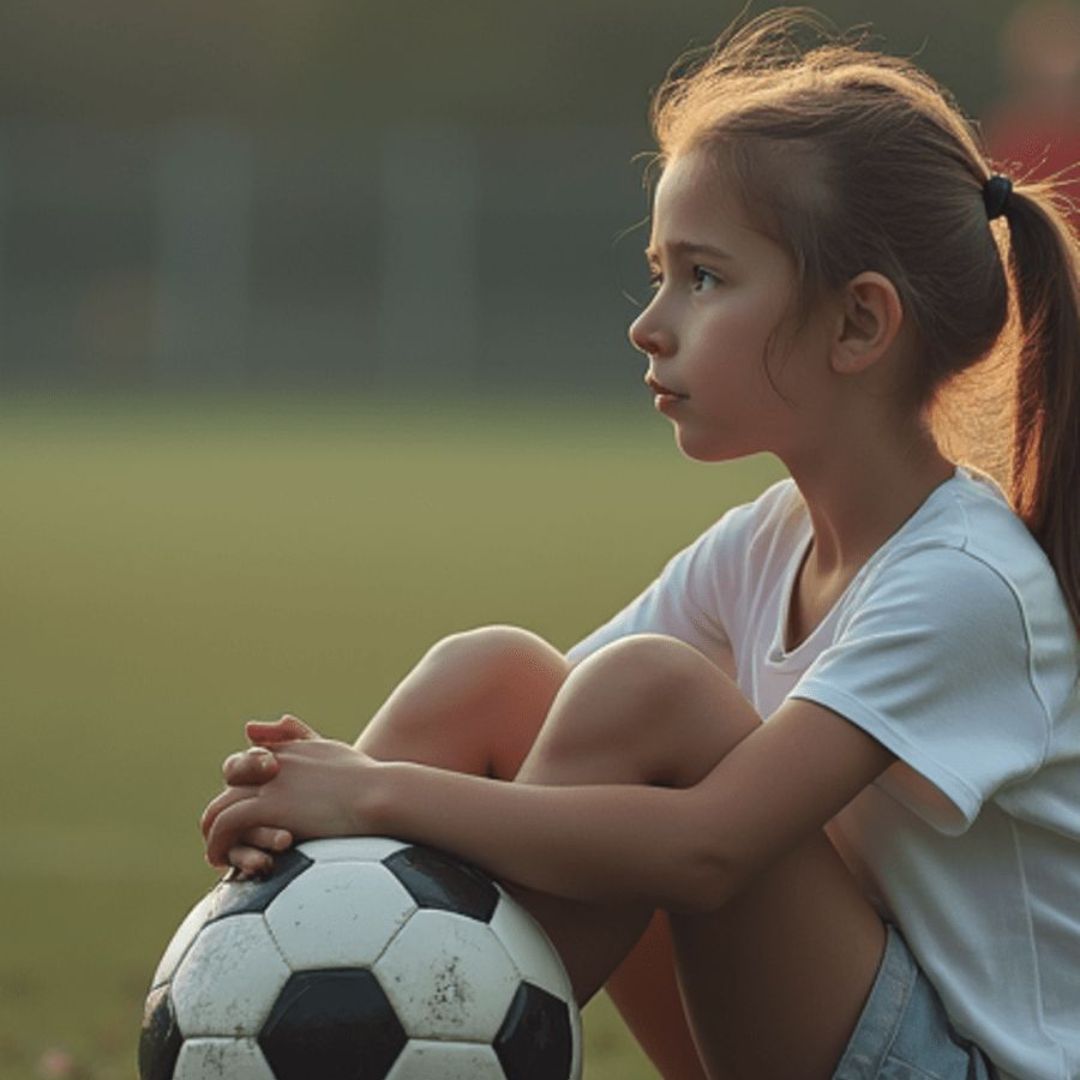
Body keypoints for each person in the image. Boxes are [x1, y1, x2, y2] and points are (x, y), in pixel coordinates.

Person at [200, 9, 1080, 1079]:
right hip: (835, 1024)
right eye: (660, 272)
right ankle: (225, 993)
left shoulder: (964, 582)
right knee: (493, 677)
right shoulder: (769, 544)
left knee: (648, 693)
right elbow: (551, 749)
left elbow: (708, 850)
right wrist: (306, 815)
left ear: (859, 325)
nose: (648, 323)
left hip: (962, 1063)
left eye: (703, 278)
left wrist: (367, 795)